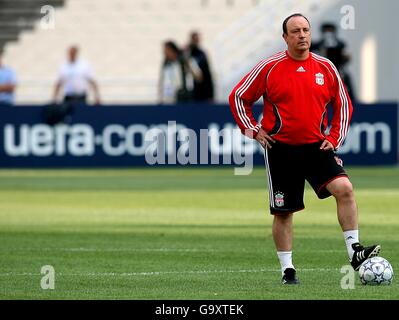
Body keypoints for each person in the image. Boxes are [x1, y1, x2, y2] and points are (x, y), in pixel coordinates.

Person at [228, 13, 380, 285]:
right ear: (285, 37)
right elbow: (239, 96)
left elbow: (343, 104)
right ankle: (288, 270)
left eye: (306, 30)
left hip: (315, 147)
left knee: (344, 189)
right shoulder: (269, 67)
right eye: (295, 31)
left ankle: (354, 252)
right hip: (280, 149)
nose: (302, 35)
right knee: (284, 212)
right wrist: (252, 129)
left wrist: (334, 137)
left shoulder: (326, 67)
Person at [311, 23, 356, 102]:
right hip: (320, 73)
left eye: (330, 30)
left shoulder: (340, 45)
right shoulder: (315, 46)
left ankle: (353, 103)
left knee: (346, 79)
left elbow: (346, 58)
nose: (328, 33)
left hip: (337, 71)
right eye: (326, 31)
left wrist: (344, 57)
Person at [158, 40, 202, 104]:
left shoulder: (185, 60)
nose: (164, 52)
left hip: (185, 98)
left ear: (171, 49)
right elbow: (163, 82)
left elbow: (199, 77)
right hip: (169, 99)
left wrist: (188, 64)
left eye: (166, 50)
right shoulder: (166, 64)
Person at [185, 31, 214, 102]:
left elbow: (207, 74)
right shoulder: (187, 54)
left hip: (202, 91)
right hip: (190, 91)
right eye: (194, 39)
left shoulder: (202, 54)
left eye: (197, 39)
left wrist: (210, 94)